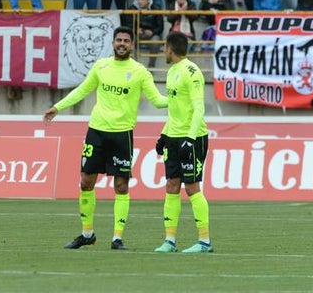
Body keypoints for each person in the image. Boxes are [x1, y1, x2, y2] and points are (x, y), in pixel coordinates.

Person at [43, 26, 168, 250]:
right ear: (113, 43)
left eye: (126, 41)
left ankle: (117, 238)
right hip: (97, 131)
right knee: (85, 181)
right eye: (118, 40)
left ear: (132, 45)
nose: (122, 44)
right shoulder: (101, 66)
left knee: (121, 186)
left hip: (122, 134)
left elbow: (157, 100)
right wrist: (58, 107)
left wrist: (179, 99)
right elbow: (82, 90)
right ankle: (87, 233)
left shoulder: (140, 71)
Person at [153, 32, 212, 254]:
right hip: (174, 137)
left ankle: (205, 242)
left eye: (164, 48)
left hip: (193, 138)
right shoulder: (171, 72)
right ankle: (170, 240)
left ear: (170, 48)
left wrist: (190, 137)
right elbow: (175, 110)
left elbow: (199, 108)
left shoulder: (192, 72)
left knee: (192, 187)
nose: (163, 52)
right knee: (171, 186)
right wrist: (164, 135)